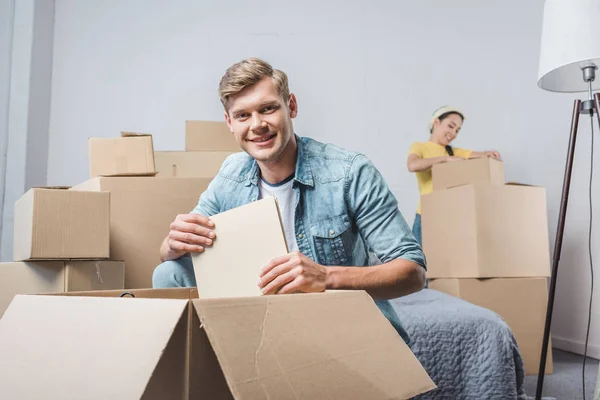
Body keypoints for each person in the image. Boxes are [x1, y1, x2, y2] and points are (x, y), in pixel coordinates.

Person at [153, 57, 425, 343]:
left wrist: (326, 277)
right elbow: (170, 252)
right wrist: (171, 244)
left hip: (342, 328)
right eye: (243, 115)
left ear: (291, 106)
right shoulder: (230, 174)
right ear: (229, 123)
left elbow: (413, 272)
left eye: (267, 109)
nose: (257, 125)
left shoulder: (348, 172)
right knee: (169, 273)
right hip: (264, 329)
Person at [406, 106, 501, 245]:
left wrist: (490, 154)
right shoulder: (420, 147)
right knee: (421, 263)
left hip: (449, 216)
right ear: (436, 122)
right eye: (450, 126)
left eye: (457, 130)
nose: (453, 133)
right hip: (427, 215)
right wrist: (444, 160)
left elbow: (478, 155)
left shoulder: (452, 151)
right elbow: (412, 165)